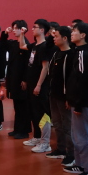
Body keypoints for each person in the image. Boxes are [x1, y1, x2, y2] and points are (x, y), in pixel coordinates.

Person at [65, 22, 88, 175]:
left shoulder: (84, 53)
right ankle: (80, 163)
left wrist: (78, 102)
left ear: (83, 35)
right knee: (77, 135)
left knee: (85, 135)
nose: (71, 34)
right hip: (77, 99)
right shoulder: (78, 50)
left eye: (74, 31)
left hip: (83, 101)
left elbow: (83, 80)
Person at [20, 19, 53, 153]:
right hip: (31, 84)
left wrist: (39, 85)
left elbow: (45, 67)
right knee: (34, 112)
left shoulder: (45, 46)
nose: (32, 29)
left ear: (42, 30)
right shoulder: (34, 45)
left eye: (35, 27)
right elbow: (22, 46)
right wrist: (22, 34)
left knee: (42, 113)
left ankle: (45, 142)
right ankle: (37, 137)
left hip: (40, 86)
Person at [46, 26, 75, 166]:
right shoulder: (56, 53)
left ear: (65, 38)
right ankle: (60, 149)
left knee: (67, 125)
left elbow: (72, 79)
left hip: (64, 97)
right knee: (57, 124)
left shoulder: (71, 55)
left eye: (56, 36)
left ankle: (71, 154)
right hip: (54, 94)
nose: (54, 38)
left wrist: (69, 97)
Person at [1, 21, 30, 139]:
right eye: (13, 28)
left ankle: (24, 131)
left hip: (21, 79)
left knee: (23, 107)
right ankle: (17, 129)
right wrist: (5, 33)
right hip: (13, 77)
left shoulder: (26, 44)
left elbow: (28, 64)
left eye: (16, 28)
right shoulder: (13, 43)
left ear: (23, 29)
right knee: (17, 106)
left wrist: (25, 79)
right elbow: (3, 43)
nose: (14, 30)